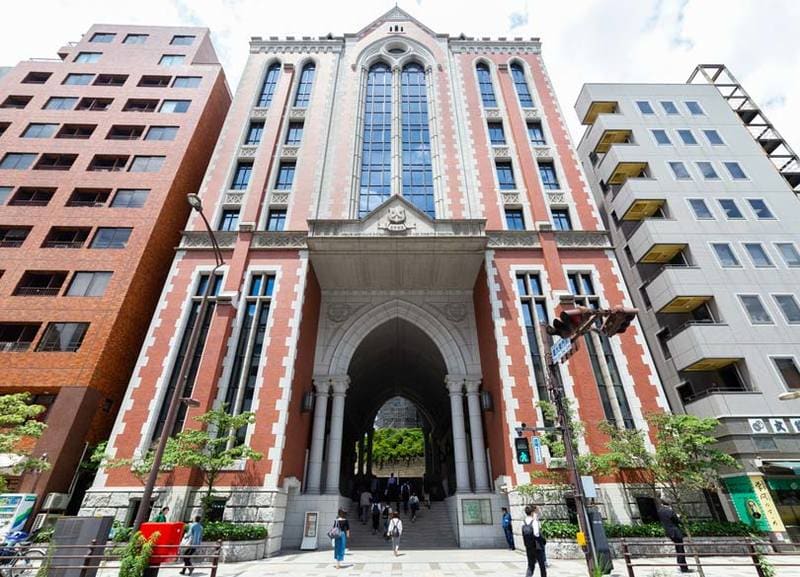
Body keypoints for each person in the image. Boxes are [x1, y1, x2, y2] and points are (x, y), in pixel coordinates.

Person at [657, 499, 691, 573]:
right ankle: (683, 567)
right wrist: (679, 517)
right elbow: (677, 521)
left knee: (678, 548)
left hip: (669, 532)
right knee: (680, 549)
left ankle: (681, 564)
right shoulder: (670, 511)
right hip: (675, 532)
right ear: (669, 503)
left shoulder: (660, 511)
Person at [521, 505, 546, 577]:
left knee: (530, 565)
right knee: (542, 565)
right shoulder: (534, 521)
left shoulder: (523, 522)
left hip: (528, 546)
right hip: (537, 546)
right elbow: (537, 534)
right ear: (532, 512)